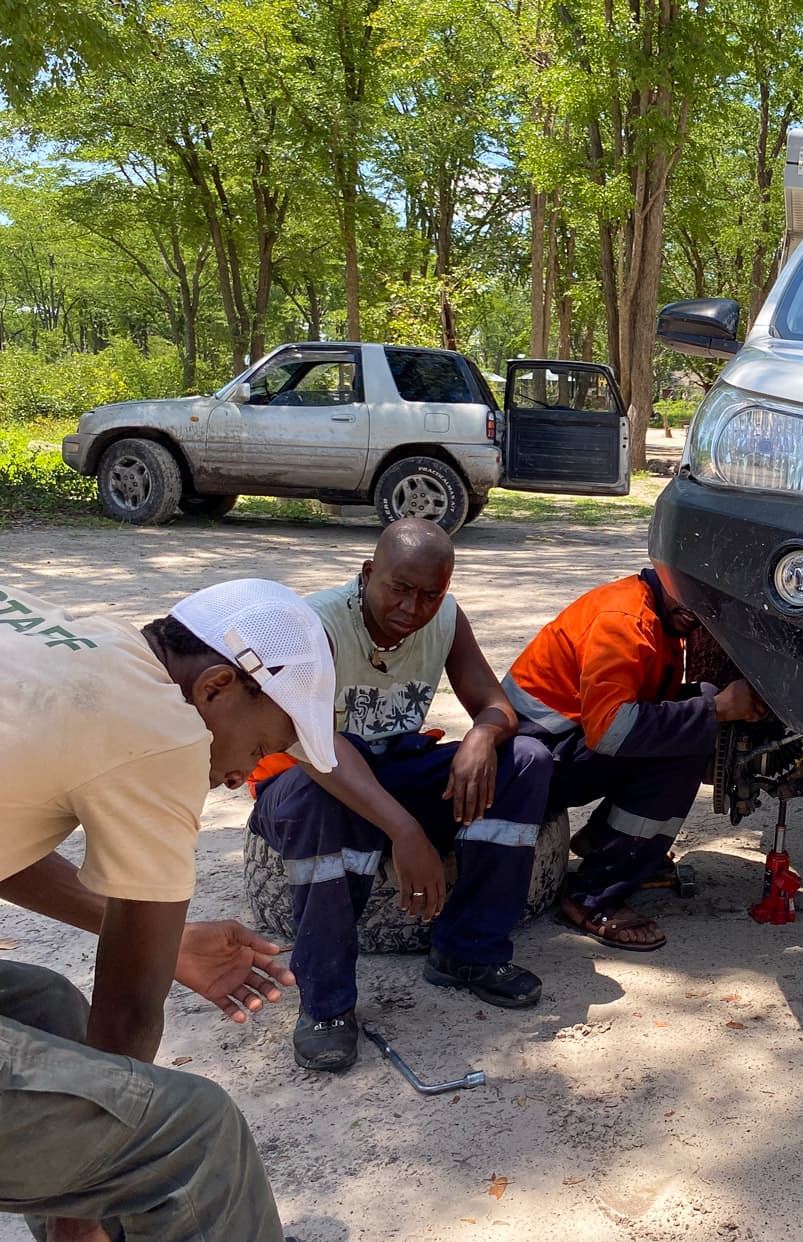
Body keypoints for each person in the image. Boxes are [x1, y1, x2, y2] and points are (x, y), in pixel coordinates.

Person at [0, 577, 340, 1242]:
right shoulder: (167, 732)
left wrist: (165, 935)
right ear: (215, 687)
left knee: (49, 1009)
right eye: (259, 746)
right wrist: (79, 1223)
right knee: (198, 1138)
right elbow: (128, 1010)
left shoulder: (73, 633)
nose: (244, 776)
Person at [248, 519, 552, 1073]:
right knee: (325, 804)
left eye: (429, 594)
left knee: (527, 760)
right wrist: (406, 832)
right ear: (367, 575)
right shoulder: (313, 626)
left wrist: (483, 735)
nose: (413, 608)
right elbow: (320, 751)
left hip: (392, 764)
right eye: (400, 589)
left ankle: (468, 951)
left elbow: (495, 702)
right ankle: (326, 1006)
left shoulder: (447, 619)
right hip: (305, 778)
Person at [504, 567, 764, 951]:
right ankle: (593, 896)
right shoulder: (624, 620)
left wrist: (711, 705)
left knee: (698, 704)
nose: (696, 608)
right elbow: (611, 731)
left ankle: (601, 839)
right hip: (532, 764)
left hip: (559, 745)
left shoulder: (661, 612)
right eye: (690, 591)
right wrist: (715, 713)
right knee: (688, 738)